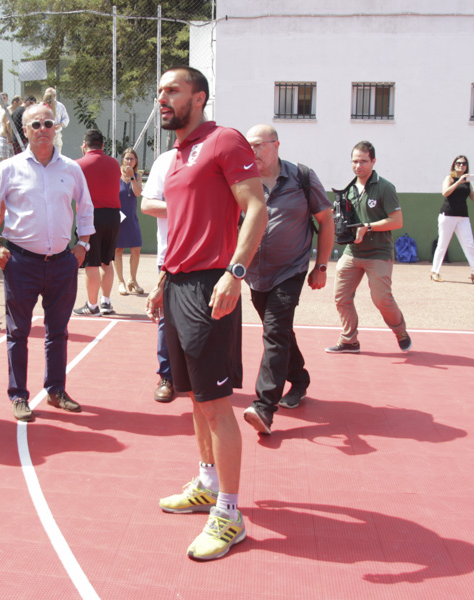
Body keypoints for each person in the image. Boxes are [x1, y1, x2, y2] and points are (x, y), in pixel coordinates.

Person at [145, 66, 268, 561]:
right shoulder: (176, 156)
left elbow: (256, 207)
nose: (162, 99)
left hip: (211, 283)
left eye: (172, 90)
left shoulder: (225, 141)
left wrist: (235, 273)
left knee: (216, 403)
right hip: (178, 284)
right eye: (159, 92)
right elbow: (181, 227)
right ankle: (207, 484)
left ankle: (230, 514)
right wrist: (161, 283)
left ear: (199, 97)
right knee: (195, 396)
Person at [0, 102, 94, 423]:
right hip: (20, 263)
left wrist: (83, 245)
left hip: (62, 264)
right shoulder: (9, 168)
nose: (43, 129)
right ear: (25, 130)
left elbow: (85, 209)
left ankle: (56, 390)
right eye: (36, 124)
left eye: (49, 123)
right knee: (18, 332)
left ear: (56, 127)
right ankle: (18, 396)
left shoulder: (71, 169)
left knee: (58, 331)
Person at [241, 124, 334, 436]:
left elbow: (325, 220)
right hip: (254, 273)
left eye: (258, 145)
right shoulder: (244, 181)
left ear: (275, 145)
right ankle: (300, 378)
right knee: (276, 331)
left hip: (290, 271)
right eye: (248, 145)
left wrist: (320, 266)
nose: (251, 151)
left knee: (276, 332)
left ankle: (264, 407)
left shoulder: (302, 178)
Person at [327, 141, 412, 354]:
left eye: (363, 161)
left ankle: (400, 330)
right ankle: (349, 340)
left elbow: (397, 221)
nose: (358, 166)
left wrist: (368, 227)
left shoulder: (385, 187)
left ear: (373, 161)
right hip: (352, 252)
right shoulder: (348, 190)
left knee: (382, 299)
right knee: (341, 296)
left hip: (379, 253)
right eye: (355, 161)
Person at [139, 150, 176, 402]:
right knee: (167, 320)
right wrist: (186, 207)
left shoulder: (213, 155)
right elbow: (147, 204)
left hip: (208, 259)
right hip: (169, 257)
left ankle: (199, 376)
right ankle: (167, 376)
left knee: (205, 321)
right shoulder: (165, 160)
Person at [73, 129, 121, 317]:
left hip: (90, 216)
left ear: (85, 145)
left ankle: (92, 306)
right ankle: (106, 302)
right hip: (113, 216)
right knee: (106, 261)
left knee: (91, 264)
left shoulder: (77, 165)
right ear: (102, 145)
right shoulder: (114, 163)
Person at [431, 155, 474, 284]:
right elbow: (445, 193)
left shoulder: (467, 181)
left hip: (463, 216)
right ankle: (435, 272)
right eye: (458, 163)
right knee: (442, 244)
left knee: (470, 244)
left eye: (463, 164)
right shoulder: (449, 178)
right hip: (447, 215)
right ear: (454, 164)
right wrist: (458, 181)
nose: (461, 166)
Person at [114, 147, 144, 296]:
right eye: (127, 158)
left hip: (132, 218)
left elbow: (137, 193)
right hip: (117, 217)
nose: (129, 161)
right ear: (122, 160)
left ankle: (133, 280)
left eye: (132, 159)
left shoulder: (137, 177)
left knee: (136, 249)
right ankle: (121, 282)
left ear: (135, 161)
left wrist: (132, 177)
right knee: (117, 250)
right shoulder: (115, 175)